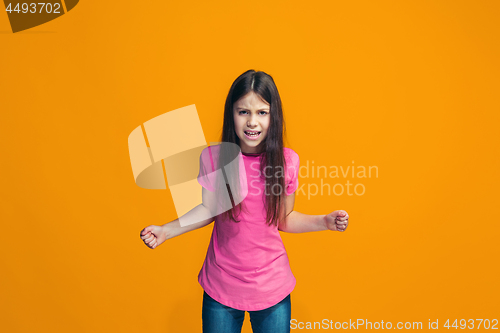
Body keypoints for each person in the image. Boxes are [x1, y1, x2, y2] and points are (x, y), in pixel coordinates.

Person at [139, 69, 350, 333]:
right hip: (221, 286)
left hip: (272, 288)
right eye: (244, 112)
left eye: (262, 112)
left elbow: (284, 218)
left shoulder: (287, 161)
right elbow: (208, 209)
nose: (252, 122)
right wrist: (166, 230)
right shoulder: (214, 158)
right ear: (232, 114)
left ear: (274, 116)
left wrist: (324, 221)